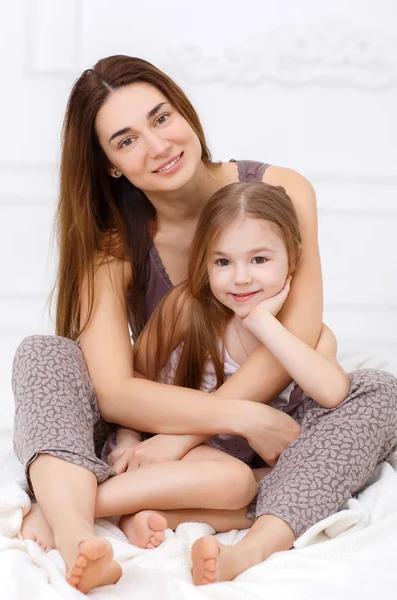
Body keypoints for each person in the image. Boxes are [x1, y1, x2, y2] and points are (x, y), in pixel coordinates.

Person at [11, 55, 397, 593]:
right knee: (44, 353)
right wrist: (213, 423)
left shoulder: (282, 192)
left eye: (161, 118)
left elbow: (304, 333)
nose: (158, 145)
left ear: (185, 114)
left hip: (264, 423)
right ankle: (76, 533)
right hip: (158, 423)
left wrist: (237, 423)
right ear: (110, 165)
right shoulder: (116, 245)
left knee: (377, 391)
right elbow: (115, 389)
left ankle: (83, 500)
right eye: (126, 141)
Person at [111, 181, 354, 562]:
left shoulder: (308, 334)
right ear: (205, 262)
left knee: (276, 490)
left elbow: (334, 391)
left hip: (239, 467)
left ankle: (147, 515)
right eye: (223, 262)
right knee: (236, 483)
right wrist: (127, 439)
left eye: (259, 260)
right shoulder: (186, 308)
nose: (241, 278)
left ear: (294, 256)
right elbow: (132, 380)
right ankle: (91, 502)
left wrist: (262, 323)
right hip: (174, 447)